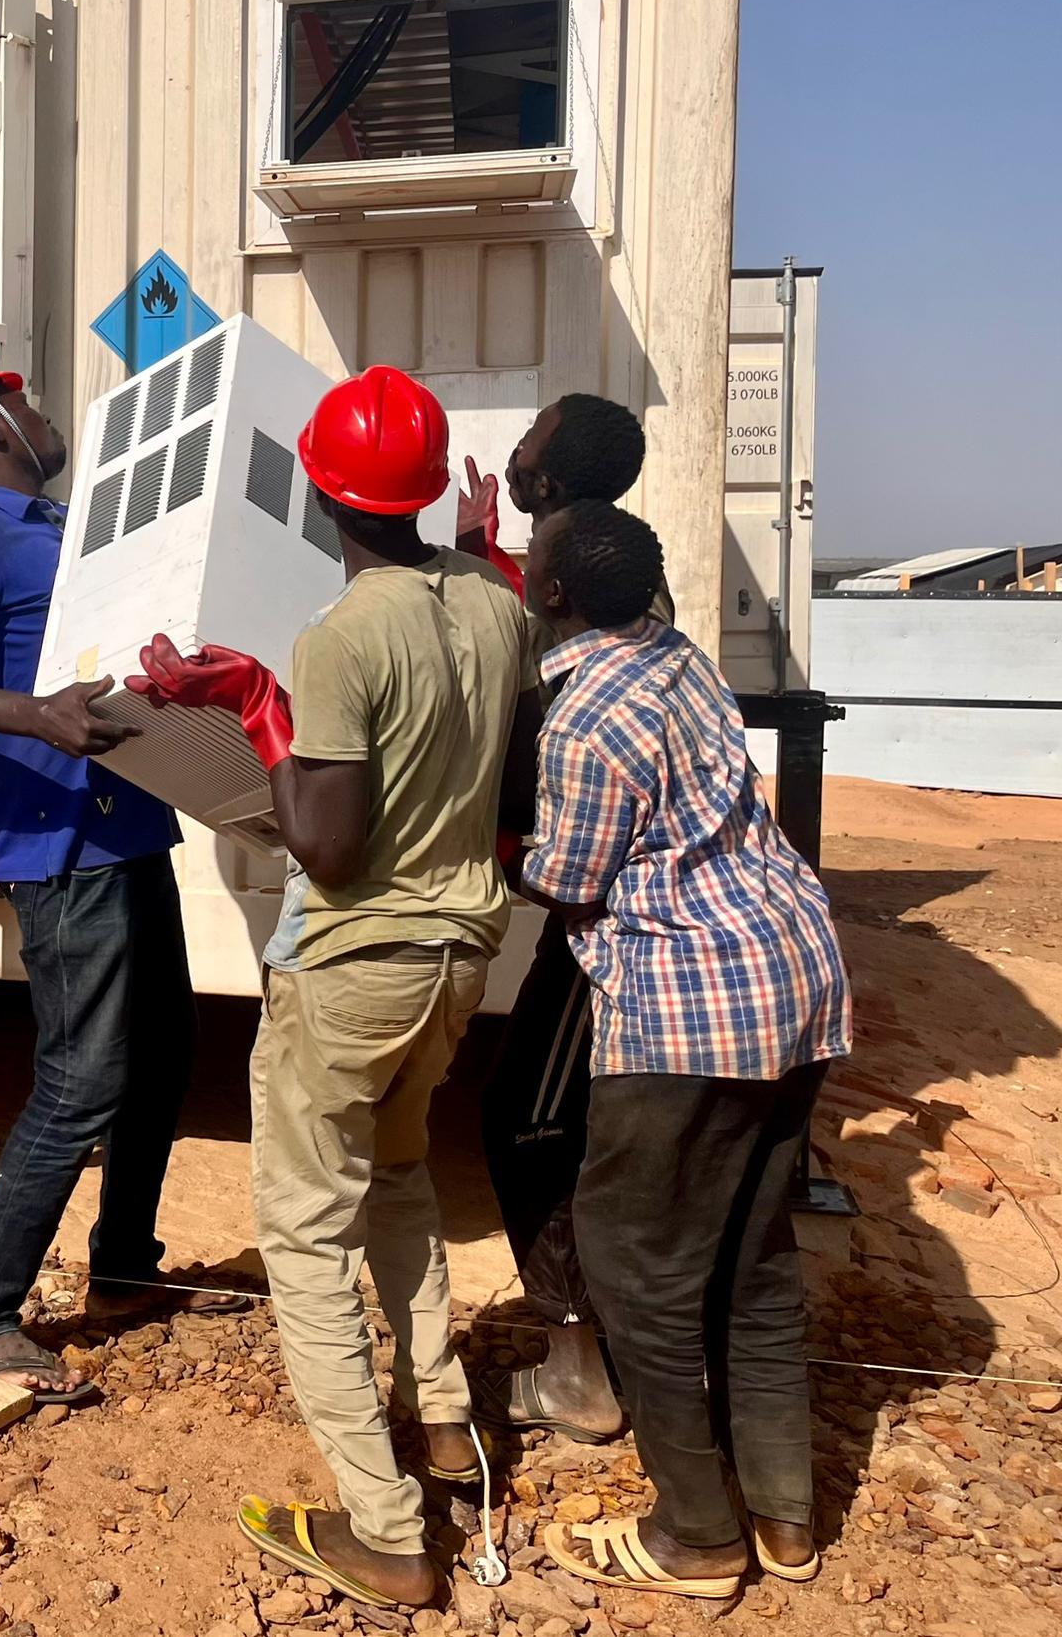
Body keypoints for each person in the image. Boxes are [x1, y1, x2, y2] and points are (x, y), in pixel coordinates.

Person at [133, 366, 538, 1610]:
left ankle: (385, 1526)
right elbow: (505, 752)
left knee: (305, 1237)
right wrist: (481, 553)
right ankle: (451, 1441)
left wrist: (254, 700)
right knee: (403, 1181)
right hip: (461, 959)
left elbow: (329, 843)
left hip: (354, 965)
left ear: (316, 487)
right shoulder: (494, 602)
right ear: (426, 488)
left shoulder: (342, 634)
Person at [0, 355, 236, 1406]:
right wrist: (36, 717)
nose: (39, 409)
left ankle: (121, 1268)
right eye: (17, 397)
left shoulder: (50, 522)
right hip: (60, 849)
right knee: (81, 1081)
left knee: (163, 1055)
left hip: (124, 825)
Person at [516, 501, 849, 1600]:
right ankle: (782, 1512)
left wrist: (499, 840)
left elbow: (566, 878)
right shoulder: (675, 652)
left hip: (689, 1005)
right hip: (791, 969)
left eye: (530, 556)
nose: (521, 564)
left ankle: (697, 1533)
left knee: (634, 1263)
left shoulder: (582, 719)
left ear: (554, 593)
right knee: (751, 1254)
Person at [457, 392, 658, 1444]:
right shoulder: (608, 570)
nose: (516, 453)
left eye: (530, 444)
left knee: (528, 1121)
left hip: (609, 926)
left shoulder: (574, 595)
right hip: (606, 909)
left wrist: (490, 846)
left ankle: (580, 1362)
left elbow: (573, 870)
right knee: (566, 1123)